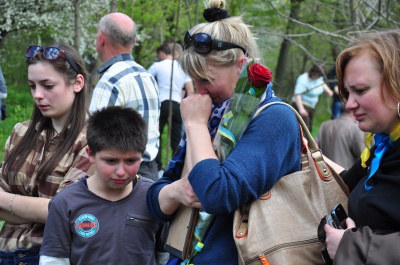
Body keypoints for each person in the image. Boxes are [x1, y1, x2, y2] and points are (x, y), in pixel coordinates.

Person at [146, 0, 302, 264]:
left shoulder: (275, 118)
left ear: (240, 65)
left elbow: (218, 194)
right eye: (193, 80)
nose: (199, 90)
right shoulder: (211, 114)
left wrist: (195, 126)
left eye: (206, 79)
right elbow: (156, 196)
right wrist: (175, 192)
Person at [0, 43, 94, 265]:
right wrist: (40, 209)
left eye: (48, 85)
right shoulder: (20, 132)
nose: (38, 95)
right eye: (32, 86)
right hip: (5, 253)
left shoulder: (94, 140)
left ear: (77, 83)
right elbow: (51, 210)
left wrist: (5, 200)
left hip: (51, 257)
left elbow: (64, 211)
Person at [39, 106, 166, 265]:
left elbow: (164, 255)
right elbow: (53, 260)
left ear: (143, 155)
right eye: (111, 161)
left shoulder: (154, 197)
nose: (120, 171)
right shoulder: (64, 203)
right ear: (91, 154)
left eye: (130, 161)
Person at [324, 30, 400, 264]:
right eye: (347, 93)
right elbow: (344, 183)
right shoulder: (382, 147)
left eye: (360, 91)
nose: (349, 104)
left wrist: (351, 246)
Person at [89, 12, 160, 181]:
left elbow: (93, 137)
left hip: (121, 177)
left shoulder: (110, 81)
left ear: (101, 39)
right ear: (134, 42)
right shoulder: (147, 76)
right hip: (150, 172)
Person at [148, 44, 194, 173]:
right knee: (176, 139)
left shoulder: (157, 66)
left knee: (157, 135)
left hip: (161, 103)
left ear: (162, 53)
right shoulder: (182, 68)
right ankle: (176, 169)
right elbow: (190, 89)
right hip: (177, 105)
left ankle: (157, 167)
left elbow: (146, 80)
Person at [315, 103, 365, 169]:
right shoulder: (356, 129)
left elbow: (313, 148)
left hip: (325, 174)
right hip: (345, 176)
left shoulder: (325, 125)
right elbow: (364, 156)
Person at [292, 63, 334, 132]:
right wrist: (301, 109)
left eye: (319, 76)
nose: (316, 77)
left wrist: (329, 91)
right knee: (304, 129)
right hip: (301, 105)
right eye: (315, 75)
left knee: (309, 128)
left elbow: (321, 83)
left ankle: (305, 142)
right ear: (312, 72)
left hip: (311, 106)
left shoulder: (319, 78)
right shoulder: (303, 79)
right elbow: (297, 94)